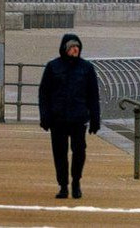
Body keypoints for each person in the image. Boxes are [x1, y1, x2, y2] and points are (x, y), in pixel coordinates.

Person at [38, 34, 101, 199]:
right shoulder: (53, 67)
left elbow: (93, 96)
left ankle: (76, 182)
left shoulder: (87, 68)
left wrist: (95, 119)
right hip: (57, 118)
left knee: (79, 151)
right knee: (59, 153)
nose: (76, 49)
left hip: (79, 118)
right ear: (65, 49)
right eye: (73, 47)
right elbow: (44, 93)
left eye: (78, 47)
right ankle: (63, 185)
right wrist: (45, 116)